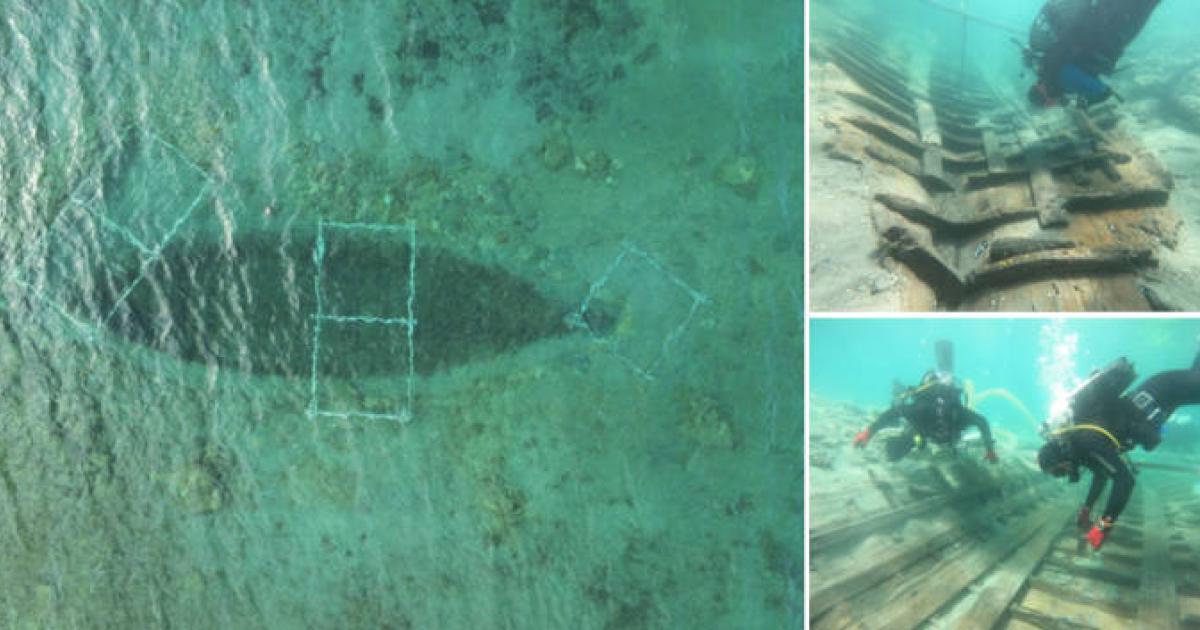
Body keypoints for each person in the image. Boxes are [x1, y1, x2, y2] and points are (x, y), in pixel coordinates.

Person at [1038, 349, 1200, 550]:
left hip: (1164, 390)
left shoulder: (1087, 441)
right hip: (1164, 399)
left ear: (1060, 457)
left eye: (1059, 471)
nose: (1064, 475)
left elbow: (1125, 481)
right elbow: (1102, 475)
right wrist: (1088, 507)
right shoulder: (1081, 449)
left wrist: (1104, 525)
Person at [1023, 0, 1161, 108]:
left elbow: (1103, 92)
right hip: (1100, 13)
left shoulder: (1062, 78)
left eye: (1050, 105)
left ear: (1048, 102)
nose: (1054, 105)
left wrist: (1085, 103)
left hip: (1114, 28)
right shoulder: (1045, 64)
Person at [852, 370, 999, 464]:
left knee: (904, 445)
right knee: (896, 452)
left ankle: (900, 389)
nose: (942, 408)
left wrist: (990, 449)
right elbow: (894, 412)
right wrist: (868, 432)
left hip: (934, 433)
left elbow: (982, 422)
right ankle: (899, 388)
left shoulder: (957, 413)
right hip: (921, 434)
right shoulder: (924, 410)